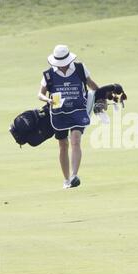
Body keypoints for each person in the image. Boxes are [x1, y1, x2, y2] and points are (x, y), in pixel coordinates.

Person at [38, 44, 99, 189]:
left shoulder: (79, 68)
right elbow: (40, 94)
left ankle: (74, 176)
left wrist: (102, 96)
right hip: (59, 113)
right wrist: (48, 100)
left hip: (78, 109)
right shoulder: (48, 74)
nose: (62, 66)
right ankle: (66, 180)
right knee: (63, 145)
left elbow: (93, 85)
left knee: (76, 140)